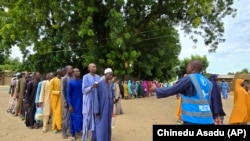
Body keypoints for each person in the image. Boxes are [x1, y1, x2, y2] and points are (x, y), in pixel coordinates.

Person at [150, 60, 214, 125]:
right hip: (209, 120)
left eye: (187, 66)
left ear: (192, 67)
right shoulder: (208, 82)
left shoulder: (189, 79)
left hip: (193, 120)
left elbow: (172, 90)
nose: (186, 68)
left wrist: (156, 89)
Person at [94, 68, 114, 141]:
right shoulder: (99, 84)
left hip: (108, 109)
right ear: (105, 74)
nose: (111, 76)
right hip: (101, 109)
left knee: (107, 126)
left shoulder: (110, 84)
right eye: (110, 74)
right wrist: (97, 111)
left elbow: (111, 97)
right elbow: (96, 98)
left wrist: (111, 108)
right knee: (101, 126)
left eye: (112, 74)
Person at [82, 63, 100, 141]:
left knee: (96, 119)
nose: (94, 68)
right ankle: (85, 138)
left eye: (95, 67)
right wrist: (91, 87)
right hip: (88, 101)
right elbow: (83, 91)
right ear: (89, 68)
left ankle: (94, 137)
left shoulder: (98, 77)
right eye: (93, 67)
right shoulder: (85, 77)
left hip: (96, 101)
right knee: (87, 120)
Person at [67, 68, 83, 141]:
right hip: (74, 104)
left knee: (81, 118)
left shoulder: (82, 81)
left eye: (79, 71)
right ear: (73, 73)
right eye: (76, 71)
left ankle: (79, 130)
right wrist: (70, 105)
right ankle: (73, 135)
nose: (78, 72)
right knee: (73, 119)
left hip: (82, 103)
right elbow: (68, 95)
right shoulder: (70, 82)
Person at [61, 65, 73, 139]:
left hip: (72, 101)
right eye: (70, 68)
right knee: (66, 117)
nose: (72, 70)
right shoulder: (64, 78)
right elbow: (62, 91)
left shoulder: (72, 78)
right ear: (66, 70)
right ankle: (64, 132)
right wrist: (65, 101)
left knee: (71, 117)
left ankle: (71, 131)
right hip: (66, 101)